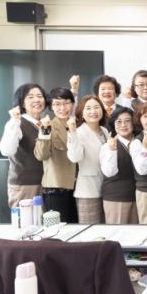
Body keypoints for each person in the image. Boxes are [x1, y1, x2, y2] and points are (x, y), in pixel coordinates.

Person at [0, 83, 48, 207]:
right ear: (22, 103)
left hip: (45, 183)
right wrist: (15, 120)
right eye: (30, 97)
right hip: (25, 185)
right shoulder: (16, 123)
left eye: (39, 96)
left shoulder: (44, 123)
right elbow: (7, 150)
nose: (36, 100)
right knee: (26, 218)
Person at [34, 88, 78, 223]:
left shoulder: (78, 125)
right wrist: (45, 130)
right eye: (57, 104)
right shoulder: (48, 126)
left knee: (76, 229)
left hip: (77, 188)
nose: (63, 108)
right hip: (56, 189)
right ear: (51, 106)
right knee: (56, 230)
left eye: (66, 103)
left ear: (72, 104)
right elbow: (41, 155)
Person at [67, 95, 109, 224]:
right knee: (90, 231)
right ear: (81, 113)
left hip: (107, 190)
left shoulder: (105, 131)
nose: (93, 111)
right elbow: (74, 157)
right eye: (88, 108)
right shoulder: (78, 132)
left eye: (96, 107)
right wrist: (72, 132)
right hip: (88, 192)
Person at [99, 106, 139, 224]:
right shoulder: (107, 146)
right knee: (118, 233)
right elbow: (109, 172)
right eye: (119, 122)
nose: (123, 125)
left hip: (137, 197)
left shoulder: (140, 142)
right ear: (113, 124)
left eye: (127, 121)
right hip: (116, 198)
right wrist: (112, 150)